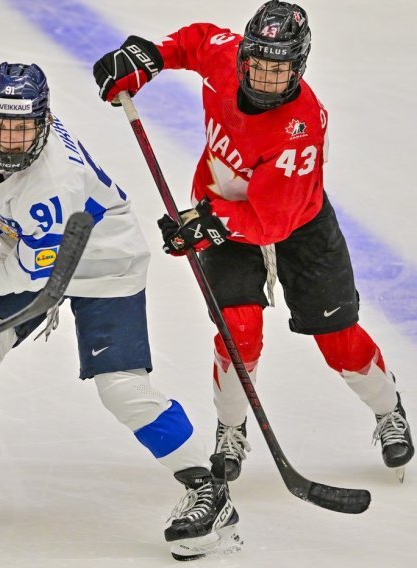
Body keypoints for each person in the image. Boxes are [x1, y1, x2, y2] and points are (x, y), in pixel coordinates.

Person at [0, 61, 239, 559]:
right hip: (33, 253)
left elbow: (34, 276)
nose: (11, 139)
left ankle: (208, 491)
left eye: (24, 128)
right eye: (2, 125)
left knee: (122, 390)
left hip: (103, 263)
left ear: (44, 121)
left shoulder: (52, 184)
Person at [92, 0, 413, 482]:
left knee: (339, 340)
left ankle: (388, 409)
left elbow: (270, 225)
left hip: (295, 222)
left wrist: (204, 223)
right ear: (244, 54)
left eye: (278, 70)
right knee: (239, 331)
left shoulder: (298, 131)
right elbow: (199, 40)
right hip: (219, 207)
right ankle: (231, 428)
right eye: (257, 63)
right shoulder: (227, 57)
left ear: (298, 67)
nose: (263, 77)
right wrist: (152, 57)